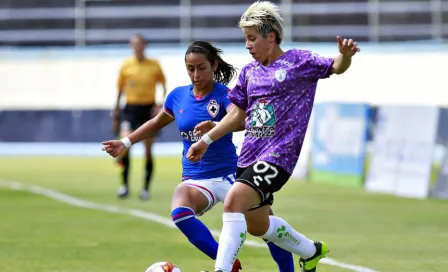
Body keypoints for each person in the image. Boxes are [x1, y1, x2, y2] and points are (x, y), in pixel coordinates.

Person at [186, 1, 361, 272]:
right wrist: (209, 135)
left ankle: (221, 270)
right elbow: (239, 117)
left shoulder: (299, 61)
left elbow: (335, 66)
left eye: (252, 38)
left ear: (271, 36)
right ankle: (311, 251)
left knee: (232, 202)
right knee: (259, 225)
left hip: (279, 155)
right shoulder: (249, 72)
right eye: (246, 39)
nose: (247, 45)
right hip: (249, 156)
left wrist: (345, 55)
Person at [103, 40, 296, 272]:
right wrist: (125, 142)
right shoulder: (177, 97)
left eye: (201, 67)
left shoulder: (225, 94)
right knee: (180, 212)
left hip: (230, 176)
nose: (196, 74)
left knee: (264, 226)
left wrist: (215, 126)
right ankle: (228, 264)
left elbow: (241, 120)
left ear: (214, 66)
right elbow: (155, 123)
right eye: (190, 68)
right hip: (195, 178)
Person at [113, 33, 167, 200]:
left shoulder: (154, 65)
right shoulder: (126, 65)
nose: (137, 47)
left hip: (147, 109)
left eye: (140, 44)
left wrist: (159, 104)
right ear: (131, 46)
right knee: (124, 144)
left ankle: (145, 188)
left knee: (148, 149)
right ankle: (124, 185)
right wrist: (116, 109)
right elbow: (120, 89)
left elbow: (163, 86)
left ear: (145, 45)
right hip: (130, 108)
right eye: (134, 44)